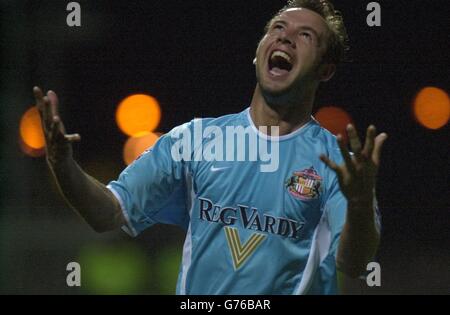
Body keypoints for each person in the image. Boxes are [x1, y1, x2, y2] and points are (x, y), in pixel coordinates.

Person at [33, 0, 387, 295]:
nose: (286, 38)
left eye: (305, 35)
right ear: (259, 51)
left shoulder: (337, 165)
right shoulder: (195, 140)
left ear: (325, 71)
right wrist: (62, 165)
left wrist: (358, 203)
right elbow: (108, 213)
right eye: (278, 28)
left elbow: (354, 264)